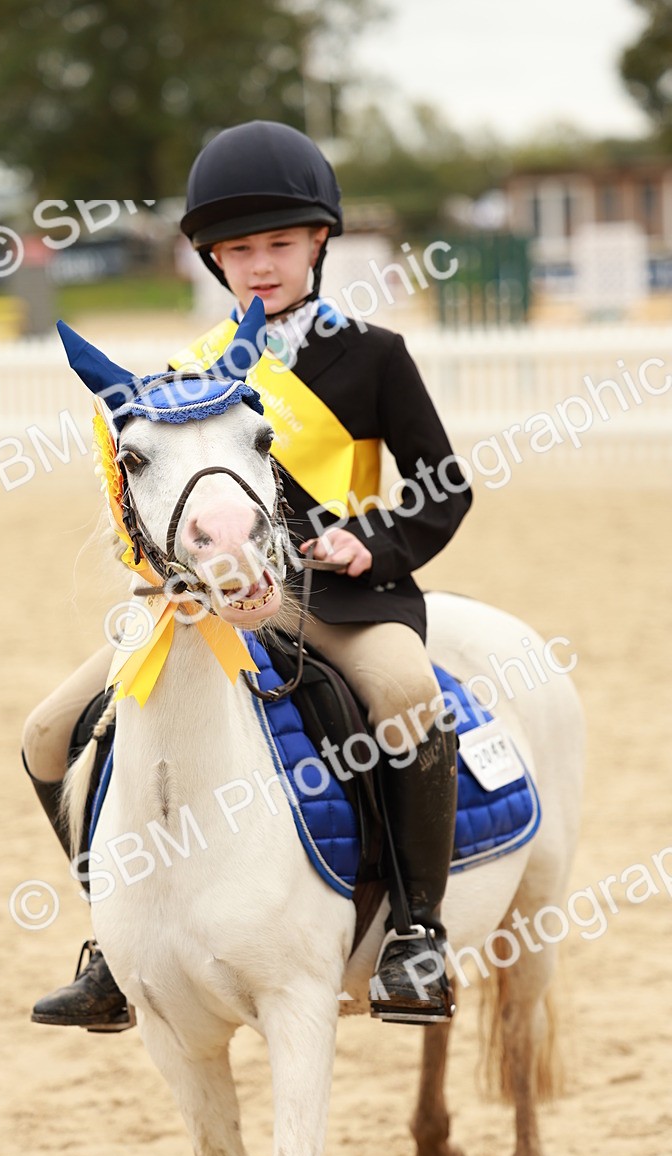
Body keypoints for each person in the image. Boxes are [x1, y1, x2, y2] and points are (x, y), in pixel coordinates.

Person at [25, 120, 472, 1030]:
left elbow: (443, 488)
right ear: (211, 258)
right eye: (239, 249)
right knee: (45, 733)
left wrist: (370, 544)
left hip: (336, 597)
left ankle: (415, 935)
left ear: (319, 241)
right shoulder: (183, 376)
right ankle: (115, 943)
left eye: (279, 243)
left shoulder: (372, 355)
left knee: (404, 690)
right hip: (208, 605)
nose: (260, 265)